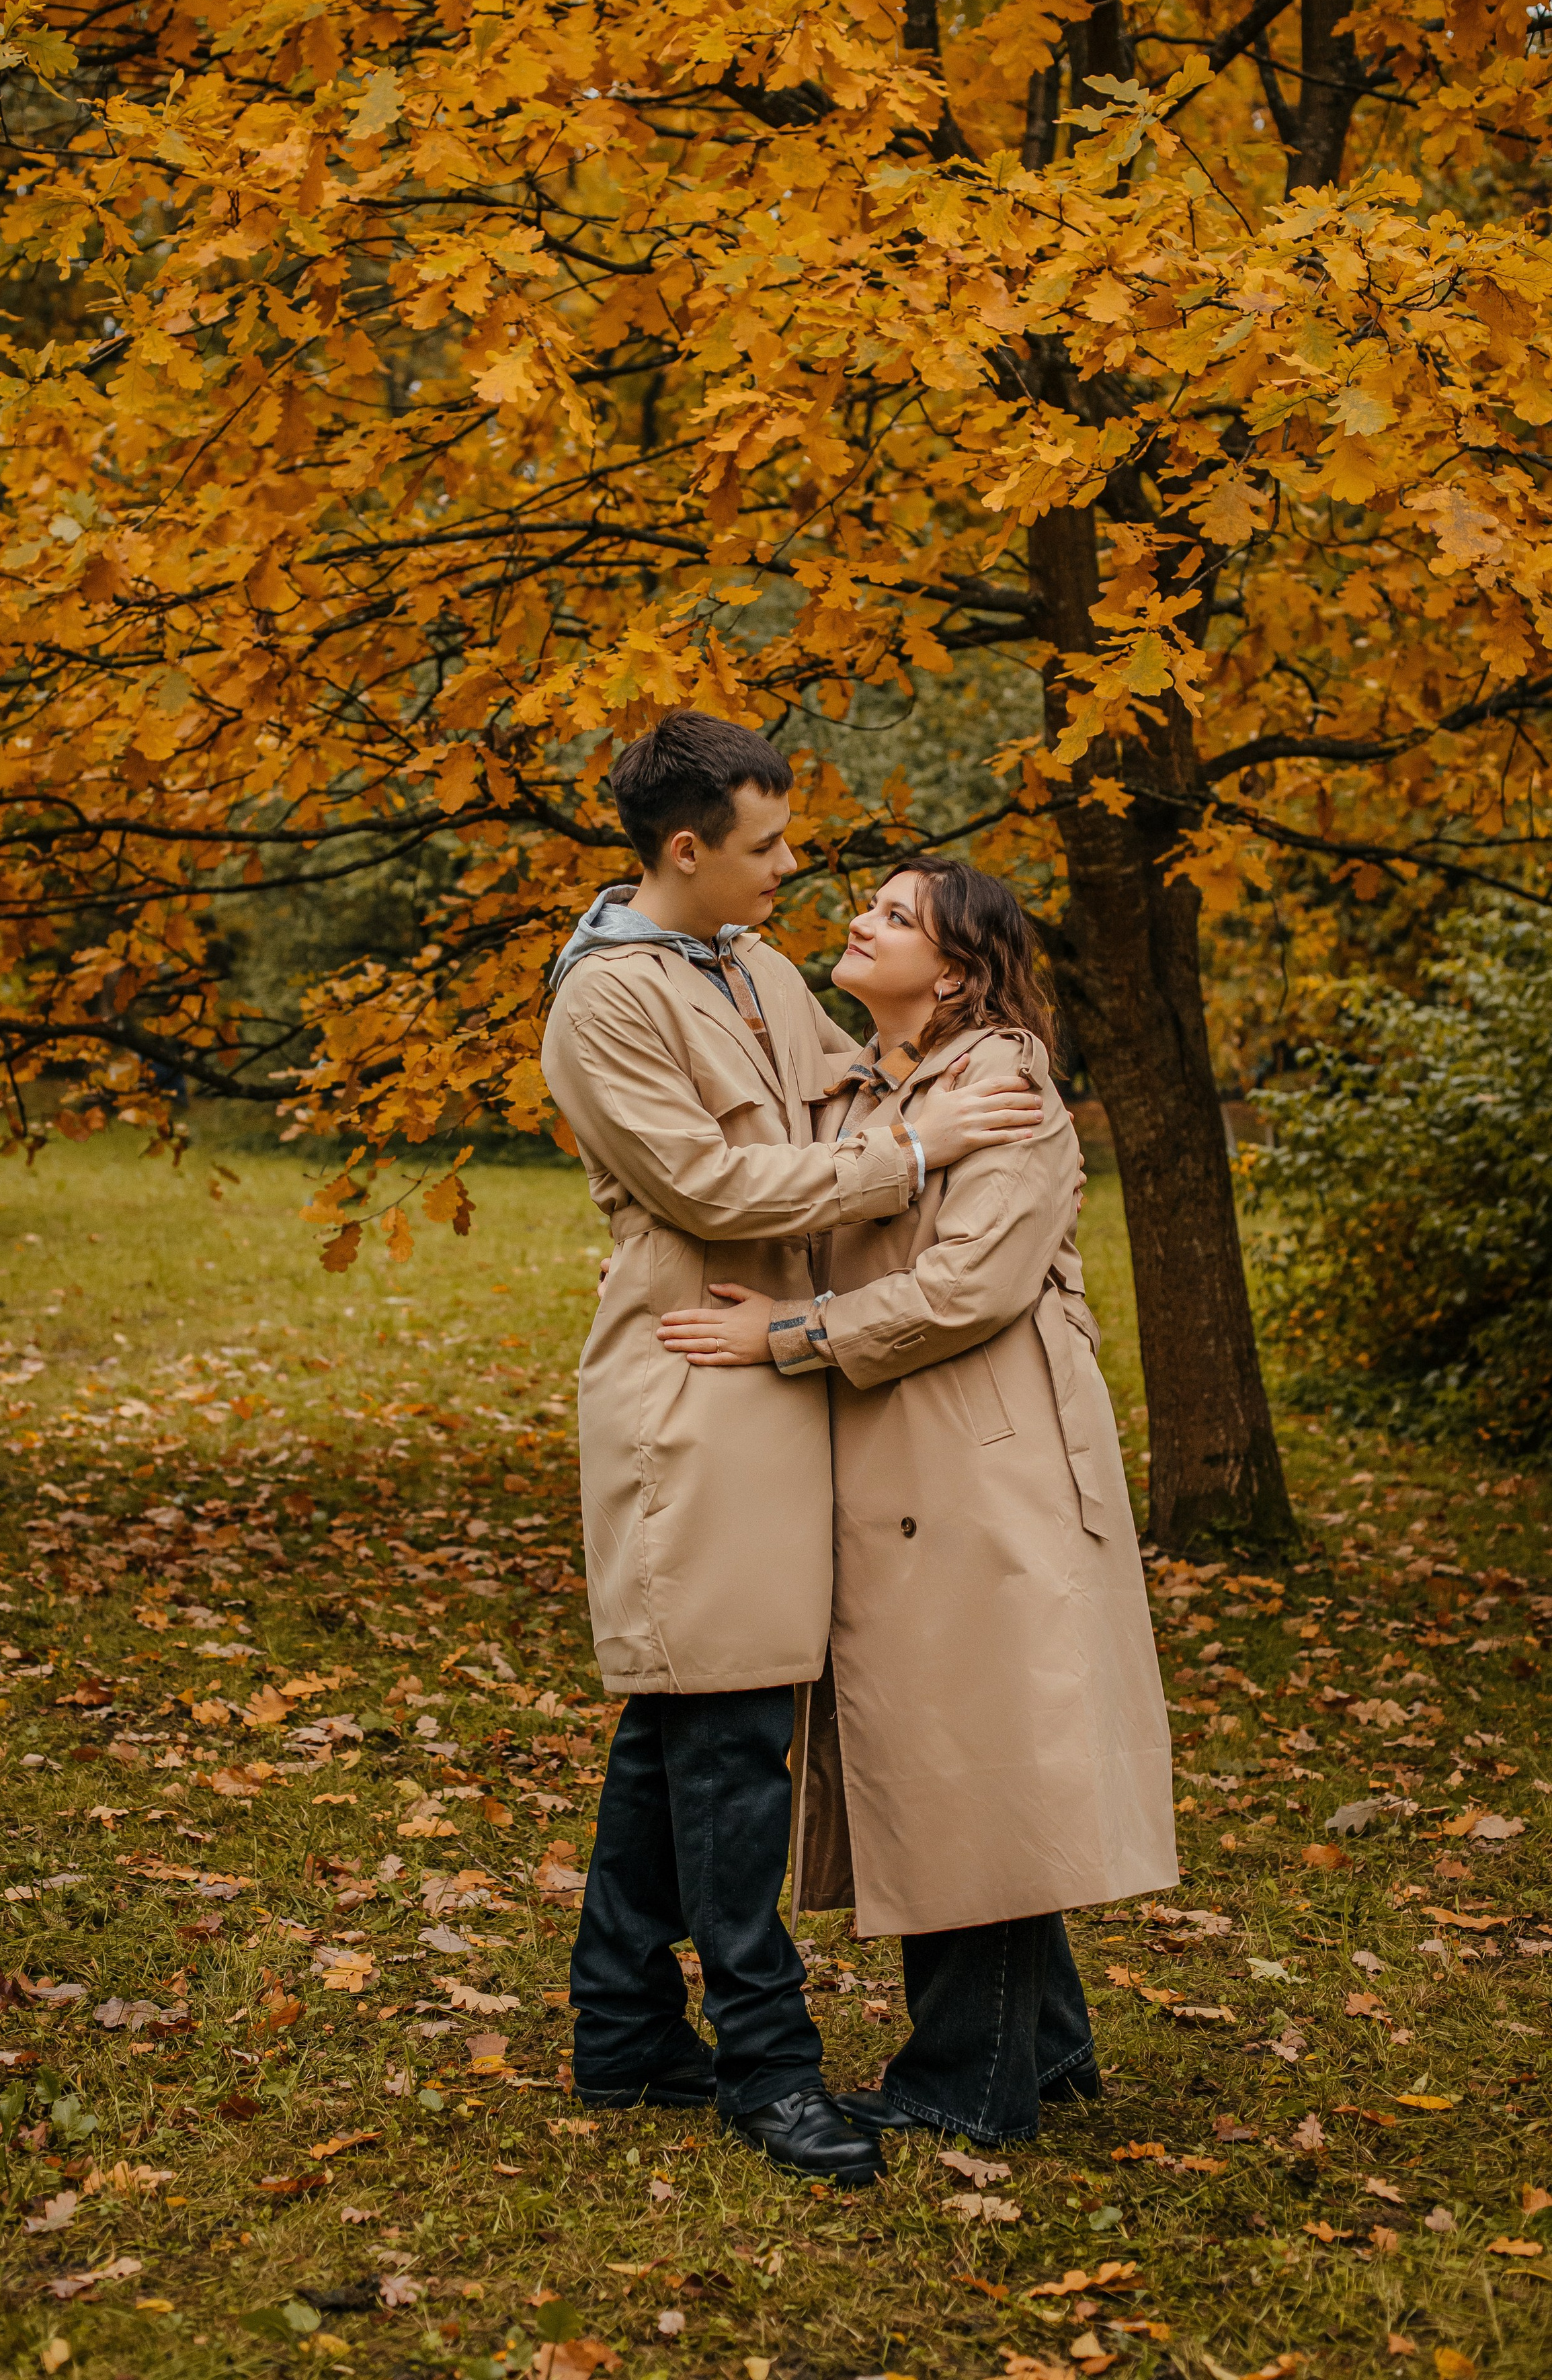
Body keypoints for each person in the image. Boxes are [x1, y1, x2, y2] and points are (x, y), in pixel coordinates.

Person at [540, 718, 1043, 2186]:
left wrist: (964, 1083)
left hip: (780, 1359)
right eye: (765, 844)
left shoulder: (752, 965)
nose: (791, 864)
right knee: (725, 1744)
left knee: (688, 1724)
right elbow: (707, 1182)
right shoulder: (603, 1004)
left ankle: (621, 2027)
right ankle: (768, 2066)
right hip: (692, 1376)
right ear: (683, 851)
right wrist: (920, 1155)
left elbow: (846, 1089)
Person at [656, 857, 1178, 2147]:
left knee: (972, 1759)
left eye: (894, 917)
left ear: (952, 969)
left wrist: (792, 1333)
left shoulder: (1001, 1084)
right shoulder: (861, 1085)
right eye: (868, 904)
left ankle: (966, 2084)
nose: (859, 919)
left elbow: (971, 1288)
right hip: (902, 1461)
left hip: (983, 1468)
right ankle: (1043, 2044)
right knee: (959, 1756)